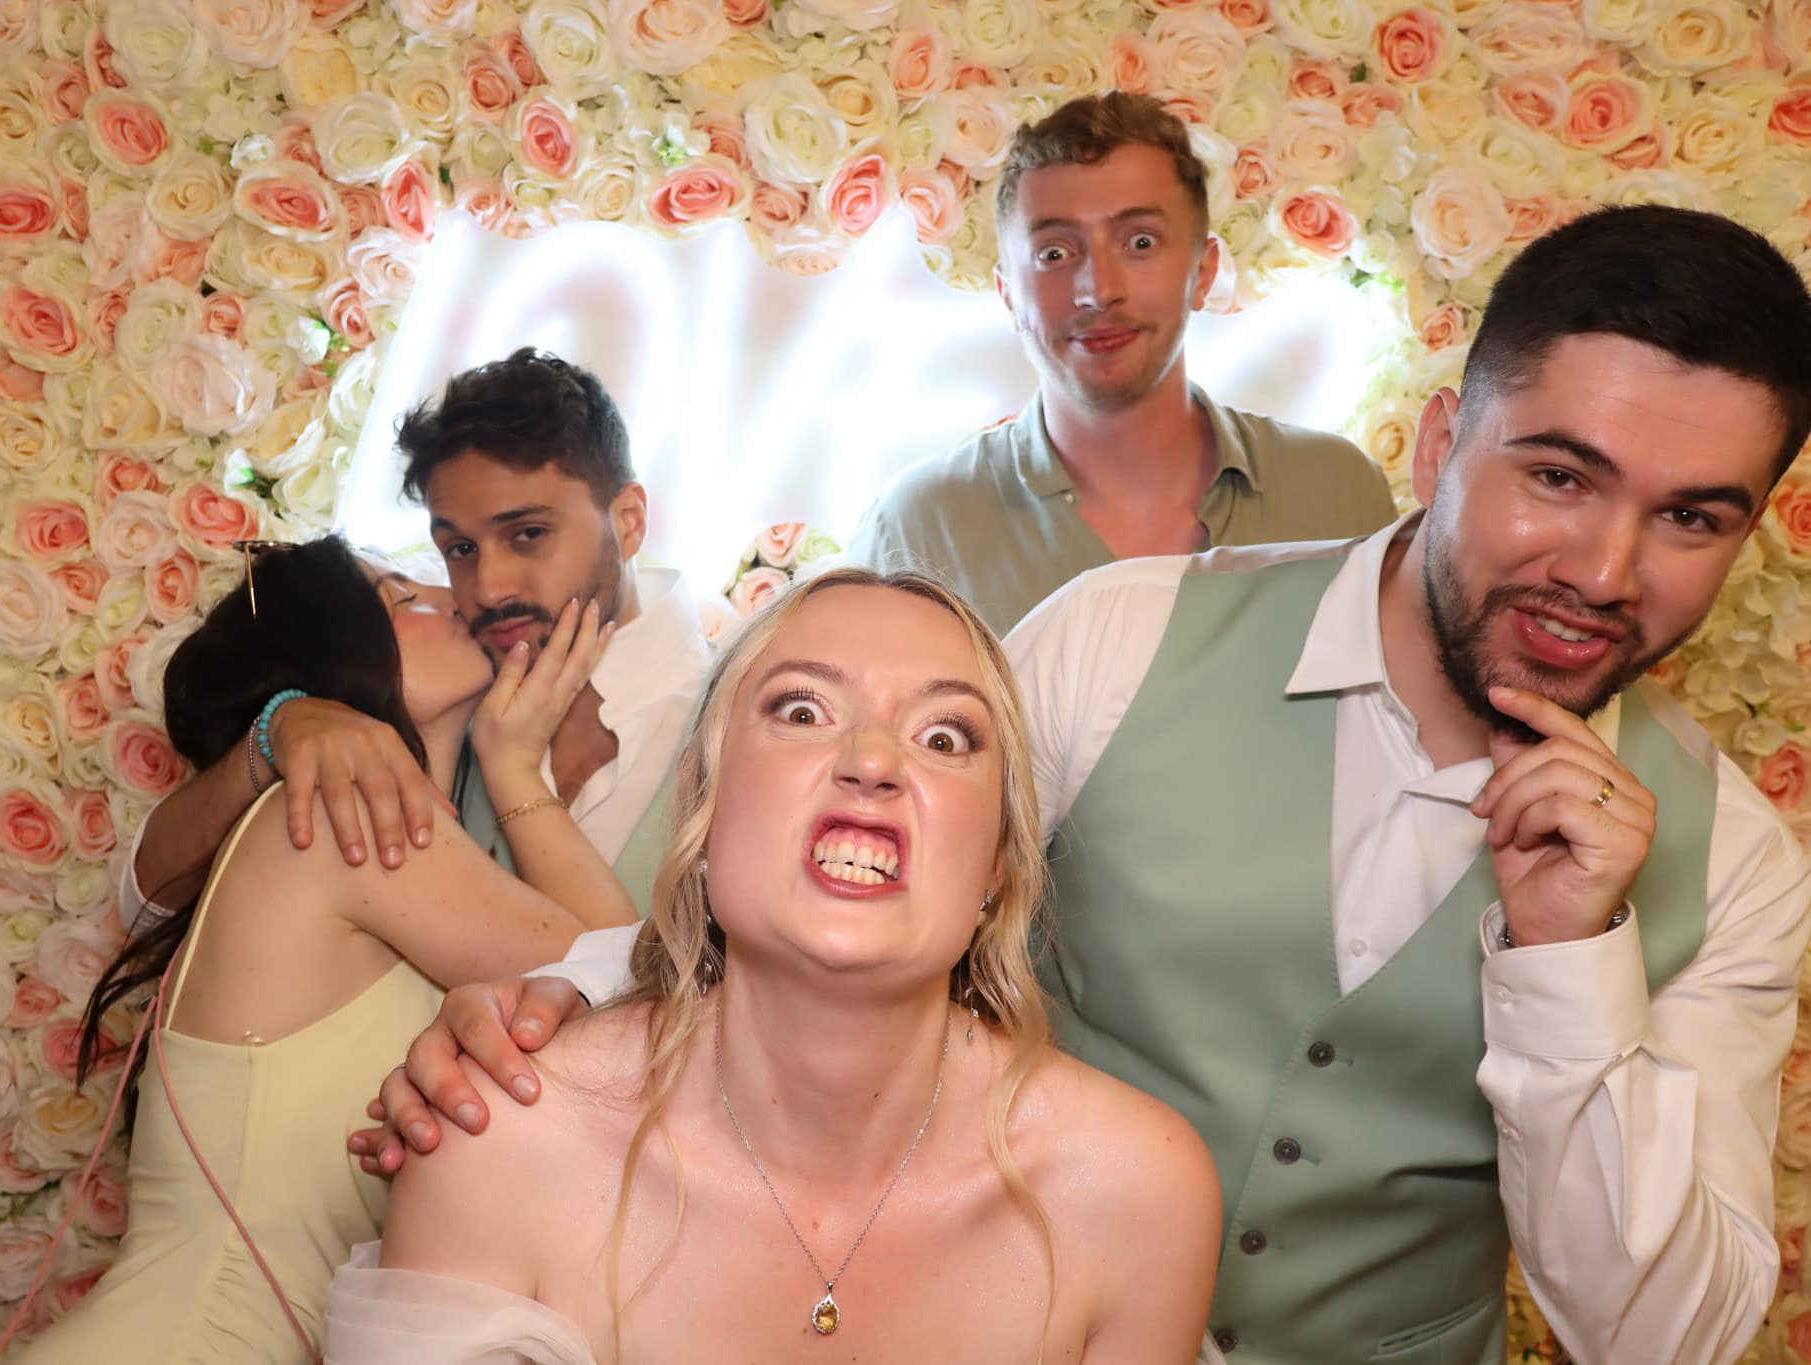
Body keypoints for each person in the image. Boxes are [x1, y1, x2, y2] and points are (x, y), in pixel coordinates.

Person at [362, 206, 1811, 1364]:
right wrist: (569, 1015)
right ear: (1440, 445)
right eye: (1557, 477)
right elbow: (866, 861)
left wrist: (1568, 963)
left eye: (1690, 517)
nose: (1604, 571)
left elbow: (1661, 1340)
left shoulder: (1741, 867)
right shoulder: (1124, 637)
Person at [323, 569, 1224, 1363]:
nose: (872, 760)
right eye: (802, 711)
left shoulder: (1133, 1193)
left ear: (999, 863)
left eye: (945, 736)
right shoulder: (501, 1142)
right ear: (704, 811)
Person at [21, 537, 640, 1363]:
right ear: (340, 652)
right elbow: (636, 987)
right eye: (402, 596)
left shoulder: (401, 839)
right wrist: (515, 767)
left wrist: (507, 761)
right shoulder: (349, 821)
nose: (451, 597)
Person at [112, 349, 712, 932]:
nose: (487, 589)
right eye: (460, 548)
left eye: (528, 533)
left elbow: (637, 985)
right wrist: (281, 727)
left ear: (629, 522)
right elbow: (145, 908)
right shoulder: (457, 672)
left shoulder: (733, 717)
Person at [849, 92, 1398, 636]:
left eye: (1139, 242)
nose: (1098, 289)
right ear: (1008, 293)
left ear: (1203, 273)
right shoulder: (918, 531)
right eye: (1055, 253)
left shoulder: (1339, 493)